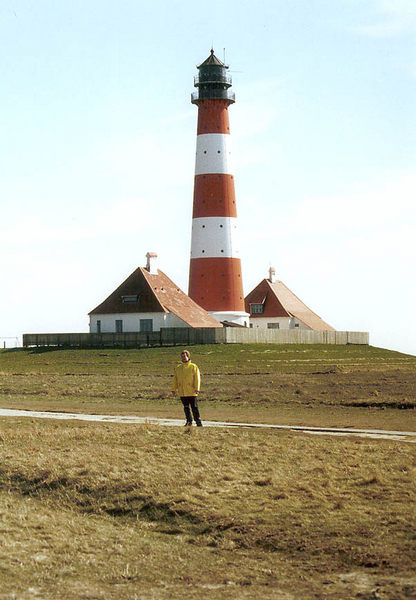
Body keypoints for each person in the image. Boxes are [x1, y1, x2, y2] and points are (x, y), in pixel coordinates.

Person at [171, 350, 202, 426]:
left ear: (188, 357)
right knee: (186, 407)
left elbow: (197, 378)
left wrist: (197, 388)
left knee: (194, 407)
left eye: (185, 356)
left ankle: (198, 422)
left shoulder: (193, 367)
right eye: (182, 356)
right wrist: (173, 389)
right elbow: (175, 379)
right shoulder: (178, 368)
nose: (184, 358)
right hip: (183, 391)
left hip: (191, 391)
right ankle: (189, 421)